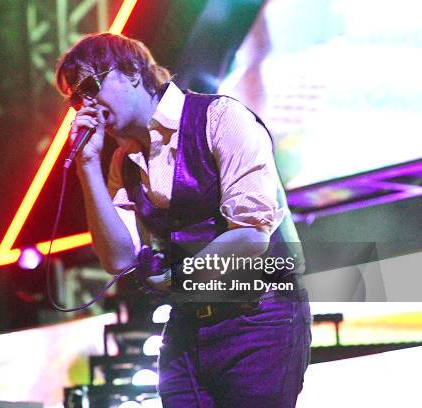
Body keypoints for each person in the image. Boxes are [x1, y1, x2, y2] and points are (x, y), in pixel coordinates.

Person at [55, 33, 311, 408]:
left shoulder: (222, 117)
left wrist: (177, 278)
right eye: (75, 98)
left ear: (131, 72)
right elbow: (118, 259)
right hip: (188, 324)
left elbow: (252, 235)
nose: (85, 104)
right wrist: (88, 165)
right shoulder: (122, 164)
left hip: (259, 315)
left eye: (91, 85)